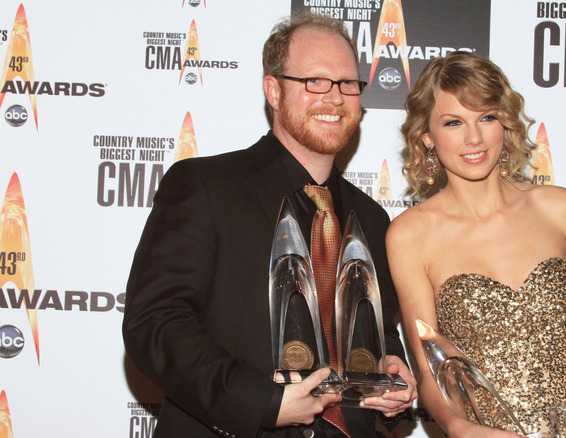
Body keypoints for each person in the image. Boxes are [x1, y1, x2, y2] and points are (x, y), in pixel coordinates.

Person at [123, 12, 417, 438]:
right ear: (274, 91)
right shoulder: (206, 186)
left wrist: (391, 372)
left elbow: (376, 332)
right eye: (314, 81)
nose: (334, 97)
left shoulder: (371, 218)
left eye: (347, 83)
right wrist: (260, 401)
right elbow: (154, 322)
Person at [386, 51, 566, 438]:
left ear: (504, 123)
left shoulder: (559, 208)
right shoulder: (410, 235)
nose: (474, 137)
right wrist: (460, 428)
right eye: (453, 122)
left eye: (486, 117)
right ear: (427, 136)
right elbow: (429, 370)